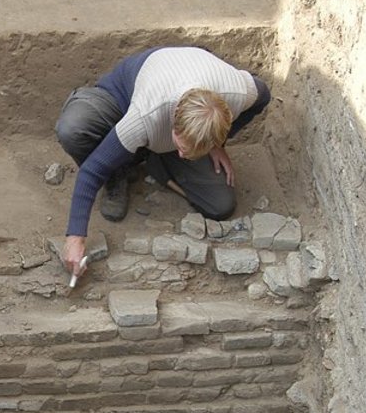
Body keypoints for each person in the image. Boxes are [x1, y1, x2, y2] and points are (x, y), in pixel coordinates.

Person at [55, 46, 271, 275]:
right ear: (173, 127)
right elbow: (92, 170)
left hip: (172, 121)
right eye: (179, 148)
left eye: (189, 153)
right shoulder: (145, 115)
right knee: (73, 129)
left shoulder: (238, 93)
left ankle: (156, 162)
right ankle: (119, 172)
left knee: (220, 205)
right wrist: (75, 238)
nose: (182, 155)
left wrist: (219, 144)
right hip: (122, 97)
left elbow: (263, 95)